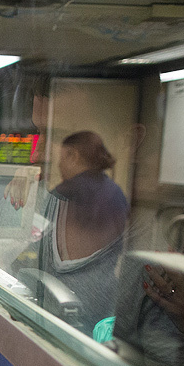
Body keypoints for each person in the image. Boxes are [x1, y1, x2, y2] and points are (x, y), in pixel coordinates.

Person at [34, 130, 130, 335]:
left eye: (61, 159)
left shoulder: (64, 193)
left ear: (73, 156)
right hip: (104, 304)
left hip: (66, 307)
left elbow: (39, 240)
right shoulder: (116, 193)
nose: (59, 166)